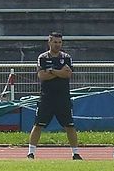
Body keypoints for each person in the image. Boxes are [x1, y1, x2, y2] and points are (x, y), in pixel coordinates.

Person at [27, 32, 81, 160]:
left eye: (59, 42)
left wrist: (51, 70)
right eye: (55, 42)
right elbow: (42, 76)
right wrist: (59, 72)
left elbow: (67, 74)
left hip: (63, 97)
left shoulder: (66, 57)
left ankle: (75, 153)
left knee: (69, 125)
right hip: (47, 97)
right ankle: (31, 152)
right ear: (49, 42)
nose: (57, 45)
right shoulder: (43, 57)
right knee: (38, 124)